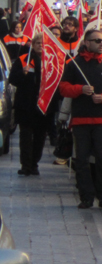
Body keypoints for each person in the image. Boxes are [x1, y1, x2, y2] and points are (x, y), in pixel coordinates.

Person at [57, 30, 102, 209]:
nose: (101, 43)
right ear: (86, 42)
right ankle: (86, 196)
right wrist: (79, 89)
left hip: (101, 121)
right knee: (82, 160)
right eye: (97, 41)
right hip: (80, 121)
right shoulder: (74, 64)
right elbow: (63, 88)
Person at [9, 33, 55, 175]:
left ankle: (34, 163)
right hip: (25, 106)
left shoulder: (52, 61)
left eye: (43, 43)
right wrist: (22, 74)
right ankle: (26, 165)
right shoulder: (23, 60)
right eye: (38, 43)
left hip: (43, 107)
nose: (40, 45)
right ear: (33, 45)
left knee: (40, 137)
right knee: (26, 137)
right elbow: (12, 79)